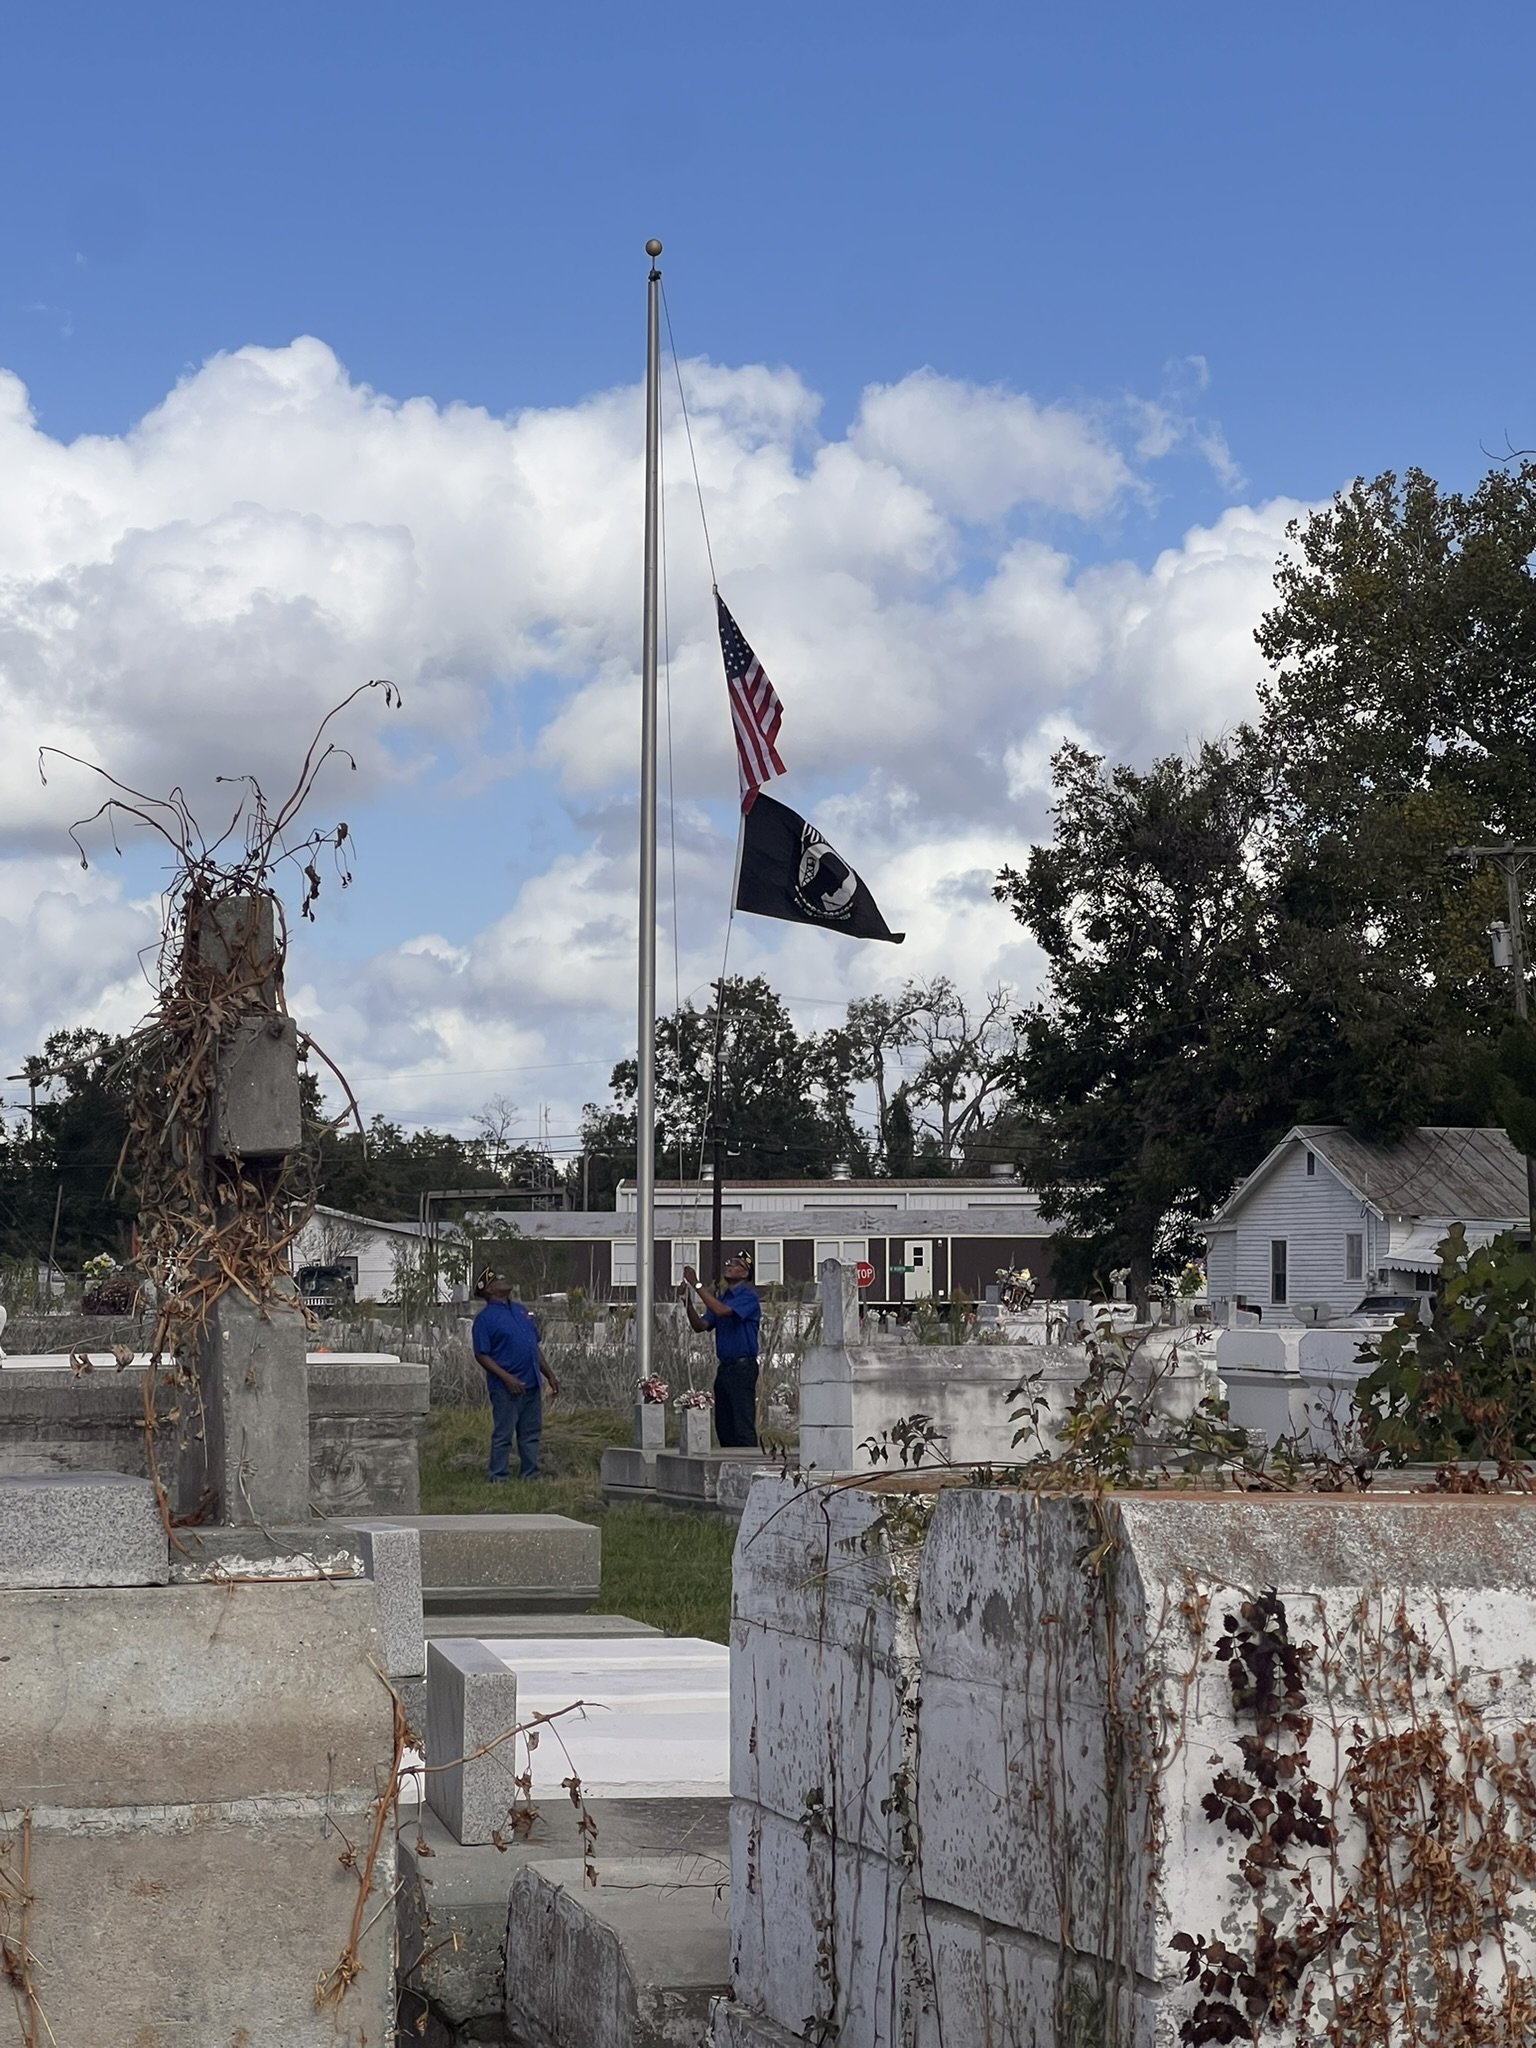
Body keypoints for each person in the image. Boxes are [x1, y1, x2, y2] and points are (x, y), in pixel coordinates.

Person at [470, 1269, 560, 1481]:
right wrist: (506, 1378)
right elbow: (481, 1355)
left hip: (531, 1382)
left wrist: (549, 1374)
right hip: (505, 1387)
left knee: (530, 1433)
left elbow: (533, 1347)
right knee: (503, 1434)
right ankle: (498, 1476)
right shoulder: (485, 1319)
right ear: (490, 1290)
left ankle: (530, 1474)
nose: (504, 1280)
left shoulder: (521, 1311)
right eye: (498, 1280)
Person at [679, 1248, 761, 1448]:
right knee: (724, 1426)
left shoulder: (748, 1297)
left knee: (742, 1424)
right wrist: (688, 1302)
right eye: (729, 1263)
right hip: (725, 1368)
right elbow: (701, 1326)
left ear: (745, 1273)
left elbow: (722, 1312)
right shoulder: (723, 1298)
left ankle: (749, 1466)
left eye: (735, 1265)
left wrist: (697, 1284)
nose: (729, 1266)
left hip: (743, 1367)